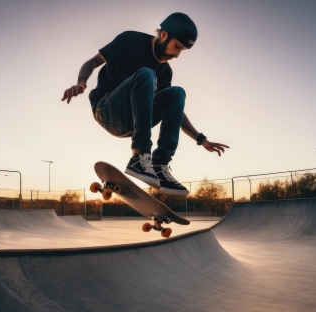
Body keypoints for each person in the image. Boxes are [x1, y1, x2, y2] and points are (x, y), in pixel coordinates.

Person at [62, 12, 229, 196]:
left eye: (181, 51)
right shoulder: (130, 40)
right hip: (106, 108)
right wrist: (81, 82)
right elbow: (94, 61)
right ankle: (140, 156)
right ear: (164, 34)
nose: (177, 54)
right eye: (177, 47)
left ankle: (159, 164)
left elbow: (174, 111)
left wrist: (200, 139)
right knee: (146, 74)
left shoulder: (165, 72)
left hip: (132, 122)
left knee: (176, 94)